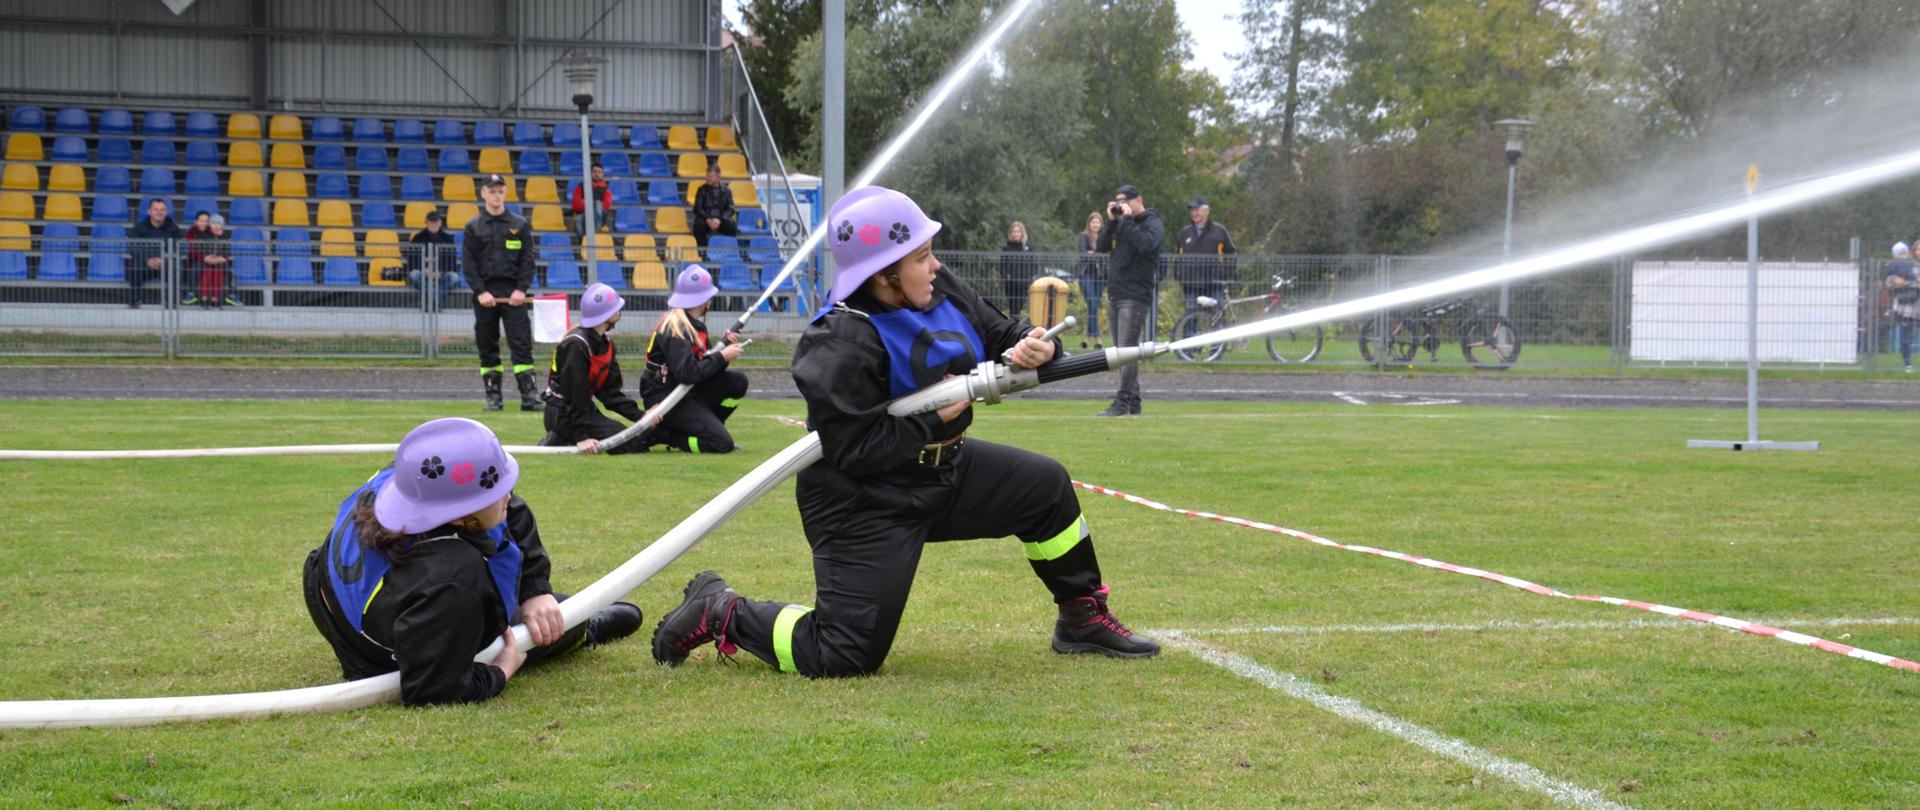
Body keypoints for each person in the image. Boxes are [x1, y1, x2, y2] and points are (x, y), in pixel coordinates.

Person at [649, 185, 1158, 679]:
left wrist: (1036, 343)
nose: (934, 265)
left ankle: (1082, 617)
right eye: (921, 257)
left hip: (943, 471)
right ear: (883, 273)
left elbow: (1000, 332)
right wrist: (935, 417)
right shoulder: (837, 340)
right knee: (843, 653)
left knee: (1045, 487)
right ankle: (721, 611)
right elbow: (855, 449)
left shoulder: (939, 287)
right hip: (862, 498)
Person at [301, 417, 644, 706]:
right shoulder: (450, 578)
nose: (508, 494)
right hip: (379, 651)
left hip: (336, 594)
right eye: (497, 493)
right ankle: (583, 631)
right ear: (458, 513)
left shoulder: (406, 483)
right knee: (561, 618)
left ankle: (567, 619)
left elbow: (513, 510)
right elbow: (432, 688)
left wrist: (535, 589)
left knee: (547, 606)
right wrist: (501, 670)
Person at [636, 265, 748, 454]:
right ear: (704, 300)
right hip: (667, 397)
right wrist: (722, 356)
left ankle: (711, 426)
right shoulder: (675, 328)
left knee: (737, 381)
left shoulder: (694, 325)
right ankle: (664, 435)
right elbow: (687, 373)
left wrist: (724, 349)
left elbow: (706, 368)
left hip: (687, 391)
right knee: (721, 444)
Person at [462, 174, 543, 412]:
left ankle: (529, 396)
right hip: (485, 296)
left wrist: (521, 289)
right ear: (483, 194)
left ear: (505, 193)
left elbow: (527, 261)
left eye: (500, 191)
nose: (496, 196)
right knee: (487, 345)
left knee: (521, 343)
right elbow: (468, 264)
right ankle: (493, 397)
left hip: (513, 295)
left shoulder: (519, 224)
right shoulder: (473, 227)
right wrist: (480, 291)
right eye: (492, 191)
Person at [541, 283, 646, 454]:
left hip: (582, 410)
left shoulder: (606, 344)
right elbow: (574, 394)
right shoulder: (576, 346)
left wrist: (641, 416)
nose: (619, 312)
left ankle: (563, 439)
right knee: (630, 445)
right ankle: (560, 438)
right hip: (563, 413)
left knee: (636, 442)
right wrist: (581, 436)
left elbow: (609, 394)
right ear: (608, 315)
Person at [1096, 184, 1164, 418]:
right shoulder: (1121, 223)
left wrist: (1127, 221)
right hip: (1116, 292)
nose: (1121, 205)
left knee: (1127, 350)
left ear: (1138, 200)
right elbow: (1102, 247)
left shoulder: (1152, 222)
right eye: (1117, 201)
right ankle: (1134, 402)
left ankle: (1123, 402)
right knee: (1122, 352)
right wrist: (1112, 222)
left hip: (1135, 294)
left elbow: (1146, 245)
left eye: (1125, 200)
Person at [1174, 197, 1236, 306]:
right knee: (1191, 314)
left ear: (1207, 211)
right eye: (1192, 210)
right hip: (1191, 284)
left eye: (1197, 210)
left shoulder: (1219, 231)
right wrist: (1179, 274)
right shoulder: (1185, 233)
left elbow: (1231, 253)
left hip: (1215, 284)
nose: (1194, 213)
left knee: (1217, 313)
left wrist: (1224, 274)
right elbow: (1178, 255)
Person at [127, 198, 181, 309]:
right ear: (149, 211)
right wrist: (147, 260)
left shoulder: (173, 227)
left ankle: (171, 303)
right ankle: (135, 301)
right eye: (156, 209)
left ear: (166, 211)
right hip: (144, 264)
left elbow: (178, 248)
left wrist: (164, 260)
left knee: (175, 268)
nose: (159, 212)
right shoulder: (139, 227)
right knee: (133, 267)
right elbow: (132, 247)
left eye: (162, 209)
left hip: (165, 264)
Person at [405, 210, 458, 311]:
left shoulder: (448, 239)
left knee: (454, 277)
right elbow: (412, 259)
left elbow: (452, 260)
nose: (433, 224)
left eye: (436, 222)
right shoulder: (417, 238)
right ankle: (434, 302)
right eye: (431, 222)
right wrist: (424, 269)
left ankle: (431, 301)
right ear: (426, 222)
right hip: (423, 273)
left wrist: (441, 272)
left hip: (441, 274)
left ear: (440, 223)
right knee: (414, 274)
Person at [183, 210, 235, 308]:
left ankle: (229, 294)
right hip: (199, 260)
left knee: (225, 271)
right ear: (196, 222)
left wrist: (221, 258)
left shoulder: (220, 235)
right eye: (201, 221)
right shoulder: (192, 233)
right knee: (200, 269)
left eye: (206, 221)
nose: (204, 223)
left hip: (217, 260)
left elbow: (226, 250)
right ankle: (193, 294)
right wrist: (205, 258)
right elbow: (194, 250)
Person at [1075, 212, 1107, 350]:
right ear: (1089, 224)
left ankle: (1087, 338)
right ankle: (1098, 338)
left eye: (1098, 222)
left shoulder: (1104, 238)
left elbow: (1105, 254)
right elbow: (1083, 254)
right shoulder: (1083, 237)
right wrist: (1095, 254)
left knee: (1093, 307)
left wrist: (1092, 253)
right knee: (1092, 303)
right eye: (1093, 222)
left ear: (1101, 224)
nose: (1095, 225)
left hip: (1100, 276)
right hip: (1086, 274)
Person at [1887, 241, 1919, 373]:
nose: (1919, 252)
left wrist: (1907, 282)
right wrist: (1914, 282)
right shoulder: (1902, 264)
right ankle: (1908, 365)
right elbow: (1891, 282)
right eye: (1917, 249)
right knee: (1905, 337)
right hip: (1906, 306)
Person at [689, 163, 738, 247]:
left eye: (710, 176)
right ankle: (702, 251)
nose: (707, 178)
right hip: (706, 219)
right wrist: (708, 219)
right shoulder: (701, 190)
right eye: (707, 176)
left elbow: (730, 208)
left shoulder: (727, 191)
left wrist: (720, 219)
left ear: (718, 177)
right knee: (698, 225)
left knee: (731, 224)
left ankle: (729, 249)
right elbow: (697, 209)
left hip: (721, 220)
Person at [999, 221, 1036, 317]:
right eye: (1014, 232)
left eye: (1018, 231)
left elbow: (1034, 264)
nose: (1016, 234)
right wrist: (1005, 276)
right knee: (1013, 309)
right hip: (1011, 283)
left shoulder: (1029, 248)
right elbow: (1002, 265)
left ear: (1022, 233)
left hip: (1024, 283)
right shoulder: (1007, 248)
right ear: (1011, 233)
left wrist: (1031, 277)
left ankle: (1015, 322)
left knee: (1019, 308)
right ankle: (1014, 323)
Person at [569, 163, 614, 237]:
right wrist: (593, 205)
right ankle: (585, 240)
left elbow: (606, 206)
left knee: (597, 203)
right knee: (578, 219)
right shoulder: (580, 187)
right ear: (590, 173)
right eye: (594, 171)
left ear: (602, 174)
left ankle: (592, 235)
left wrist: (585, 202)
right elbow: (576, 205)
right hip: (583, 216)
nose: (597, 174)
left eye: (599, 172)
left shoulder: (607, 190)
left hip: (600, 219)